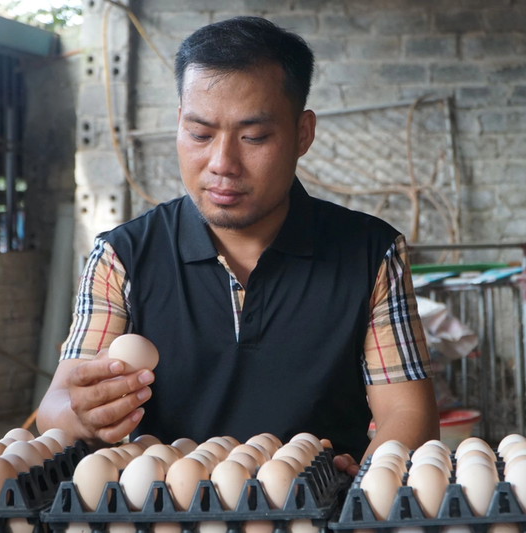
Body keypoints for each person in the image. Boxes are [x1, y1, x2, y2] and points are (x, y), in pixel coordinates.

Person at [37, 16, 438, 475]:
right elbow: (55, 411)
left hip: (317, 511)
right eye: (200, 134)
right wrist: (83, 413)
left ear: (302, 133)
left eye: (253, 137)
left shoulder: (370, 254)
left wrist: (371, 484)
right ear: (178, 126)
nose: (222, 164)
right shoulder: (124, 256)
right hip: (165, 514)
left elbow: (409, 413)